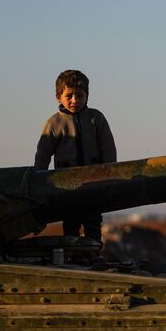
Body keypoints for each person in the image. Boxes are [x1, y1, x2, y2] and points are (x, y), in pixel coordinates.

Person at [33, 68, 119, 238]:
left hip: (94, 183)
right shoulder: (54, 124)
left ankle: (93, 257)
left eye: (80, 96)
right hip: (66, 185)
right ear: (58, 97)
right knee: (71, 224)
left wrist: (111, 173)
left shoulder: (96, 118)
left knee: (93, 223)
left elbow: (108, 147)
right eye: (69, 96)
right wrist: (38, 180)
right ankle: (74, 260)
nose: (75, 100)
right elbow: (42, 155)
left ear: (87, 96)